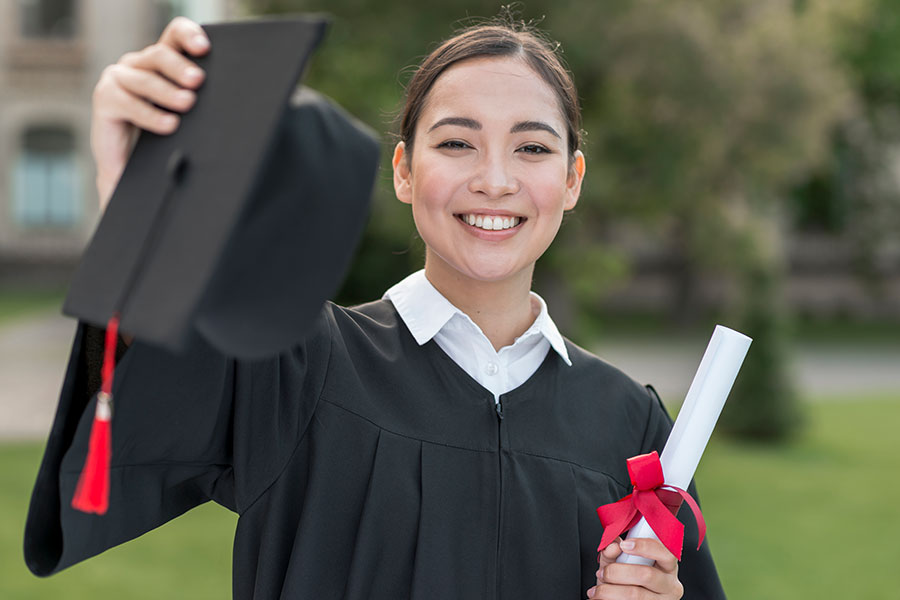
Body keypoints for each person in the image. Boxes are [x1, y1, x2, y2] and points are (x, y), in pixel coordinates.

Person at [25, 15, 726, 600]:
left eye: (533, 148)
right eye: (456, 142)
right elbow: (124, 433)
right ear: (403, 171)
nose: (495, 180)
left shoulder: (629, 426)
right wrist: (138, 197)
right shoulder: (293, 364)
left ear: (571, 180)